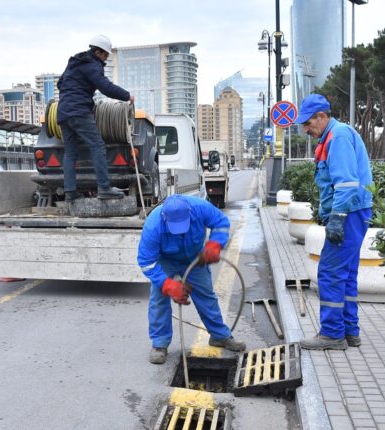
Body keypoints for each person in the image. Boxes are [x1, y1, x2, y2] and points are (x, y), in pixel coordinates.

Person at [296, 94, 373, 351]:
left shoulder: (337, 137)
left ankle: (331, 334)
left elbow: (347, 183)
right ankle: (350, 331)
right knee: (346, 275)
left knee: (329, 272)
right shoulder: (334, 135)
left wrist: (337, 217)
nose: (305, 130)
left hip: (349, 214)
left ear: (322, 116)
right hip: (355, 212)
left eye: (308, 123)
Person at [137, 195, 246, 364]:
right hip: (167, 260)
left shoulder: (200, 208)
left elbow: (221, 223)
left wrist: (215, 244)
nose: (180, 231)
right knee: (159, 299)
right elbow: (146, 262)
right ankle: (159, 344)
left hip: (195, 257)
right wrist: (167, 285)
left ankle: (219, 336)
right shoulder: (153, 225)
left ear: (190, 213)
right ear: (165, 218)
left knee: (206, 295)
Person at [57, 34, 135, 201]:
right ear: (98, 52)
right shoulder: (92, 65)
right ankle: (104, 188)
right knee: (98, 146)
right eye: (105, 55)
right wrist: (127, 96)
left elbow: (60, 83)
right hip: (79, 112)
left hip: (63, 112)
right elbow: (105, 87)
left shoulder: (75, 63)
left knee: (70, 152)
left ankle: (70, 192)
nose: (105, 59)